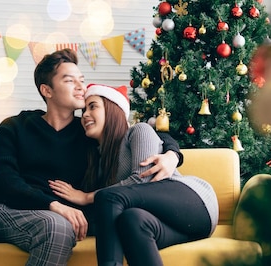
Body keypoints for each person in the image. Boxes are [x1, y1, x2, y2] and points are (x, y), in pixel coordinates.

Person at [0, 49, 183, 266]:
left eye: (82, 79)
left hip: (43, 221)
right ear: (46, 90)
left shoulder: (91, 133)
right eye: (70, 80)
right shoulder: (15, 126)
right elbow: (0, 179)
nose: (81, 86)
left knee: (57, 228)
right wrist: (52, 203)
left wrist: (172, 153)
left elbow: (137, 135)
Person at [49, 84, 219, 266]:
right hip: (181, 227)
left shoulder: (138, 131)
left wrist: (87, 197)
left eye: (93, 106)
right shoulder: (96, 160)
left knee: (108, 197)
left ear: (113, 109)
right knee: (131, 221)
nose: (85, 115)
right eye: (83, 110)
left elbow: (143, 179)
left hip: (195, 202)